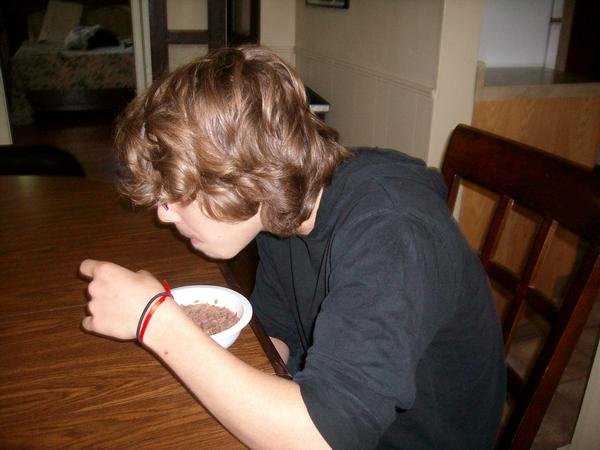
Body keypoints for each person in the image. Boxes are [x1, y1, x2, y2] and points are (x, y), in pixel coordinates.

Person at [80, 45, 506, 449]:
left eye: (176, 193)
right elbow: (276, 337)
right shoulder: (284, 208)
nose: (164, 214)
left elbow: (323, 438)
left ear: (249, 174)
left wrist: (156, 320)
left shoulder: (392, 232)